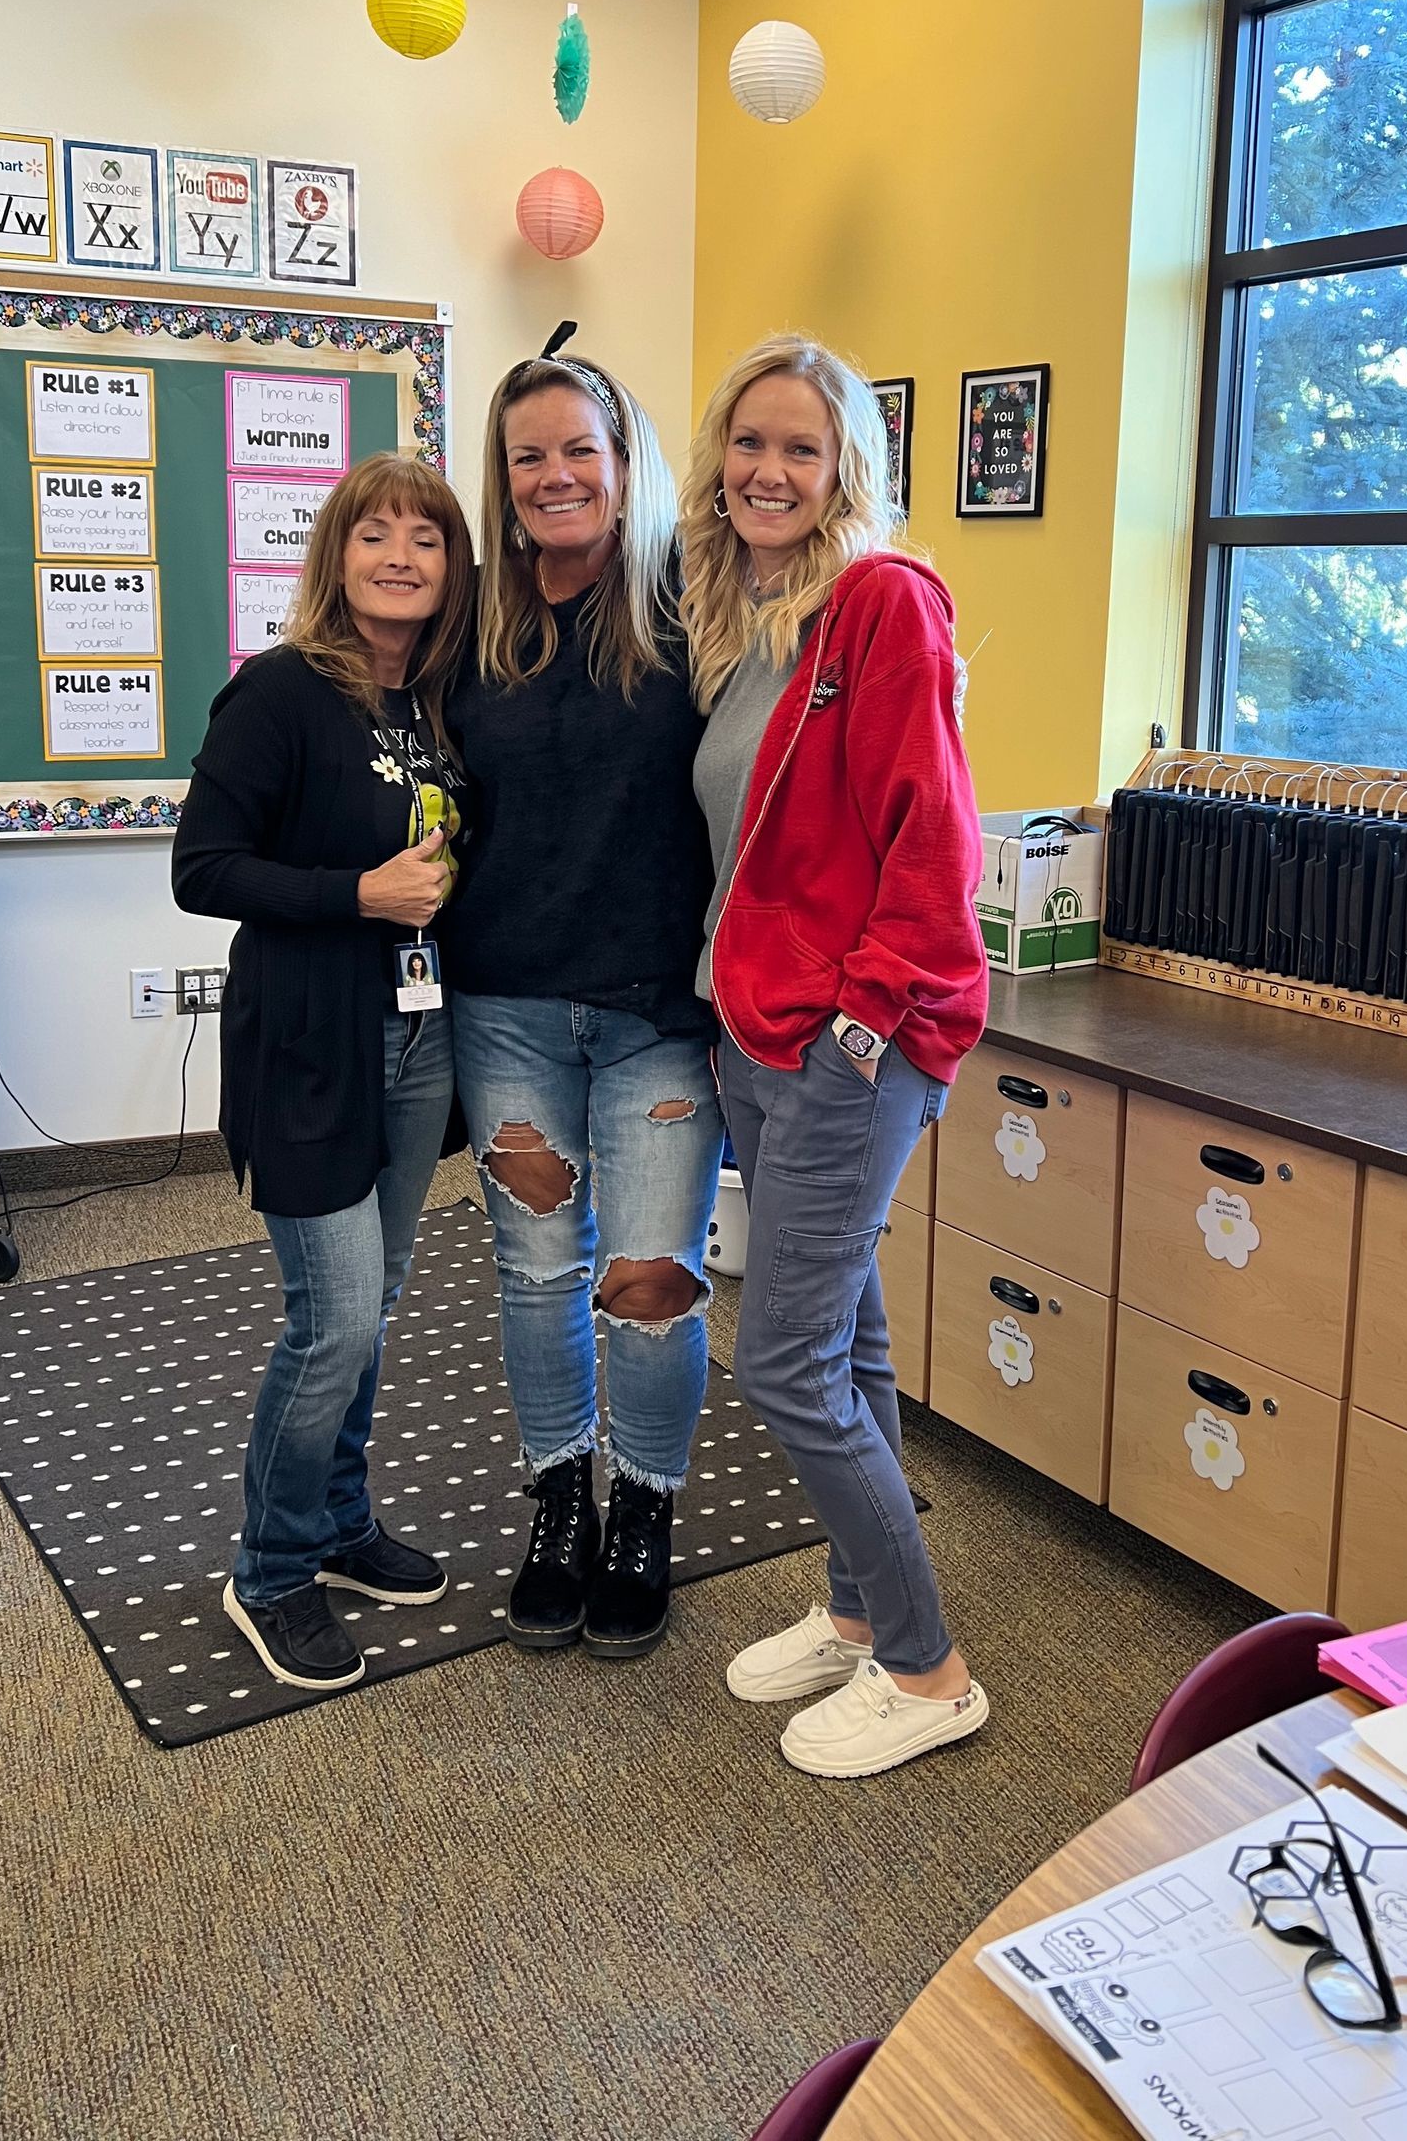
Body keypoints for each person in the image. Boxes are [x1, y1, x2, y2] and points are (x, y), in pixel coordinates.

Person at [680, 332, 991, 1778]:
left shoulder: (882, 603)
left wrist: (864, 1028)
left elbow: (934, 842)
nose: (770, 470)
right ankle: (863, 1618)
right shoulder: (749, 620)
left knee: (788, 1363)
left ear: (846, 468)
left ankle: (928, 1671)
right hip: (761, 1027)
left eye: (802, 448)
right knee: (851, 1346)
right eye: (751, 443)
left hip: (851, 1041)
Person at [173, 453, 472, 1694]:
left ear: (454, 567)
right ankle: (273, 1568)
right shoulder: (280, 694)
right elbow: (203, 868)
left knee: (378, 1303)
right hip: (304, 1036)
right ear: (336, 557)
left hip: (416, 1040)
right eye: (375, 536)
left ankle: (340, 1520)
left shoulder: (443, 705)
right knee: (334, 1314)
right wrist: (356, 893)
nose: (401, 557)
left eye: (426, 539)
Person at [445, 348, 720, 1661]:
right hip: (505, 1003)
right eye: (527, 458)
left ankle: (647, 1508)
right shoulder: (475, 625)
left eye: (576, 452)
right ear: (502, 485)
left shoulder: (692, 609)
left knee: (651, 1283)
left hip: (658, 1012)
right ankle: (561, 1500)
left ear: (624, 466)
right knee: (538, 1273)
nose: (554, 476)